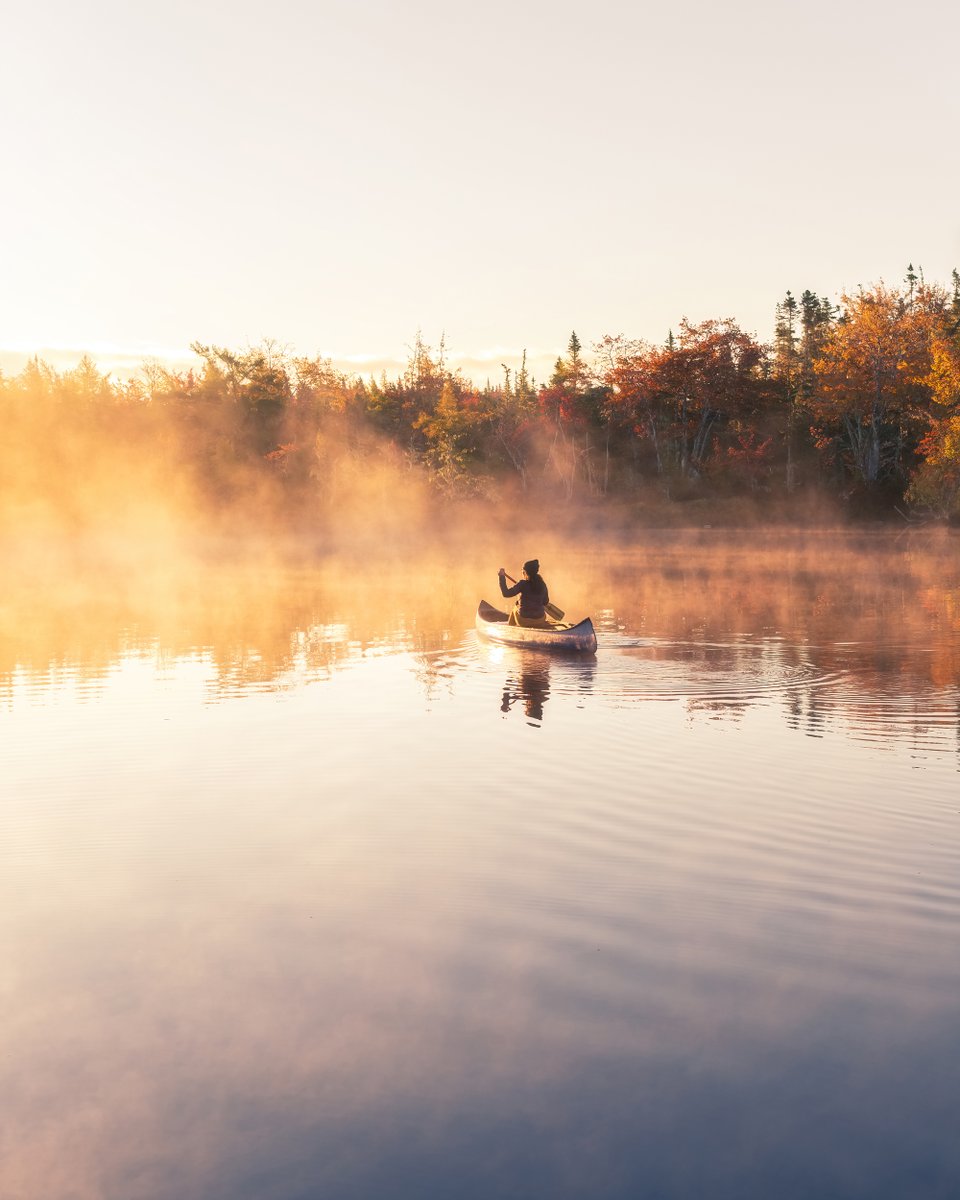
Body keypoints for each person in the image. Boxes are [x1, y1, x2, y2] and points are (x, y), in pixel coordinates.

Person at [498, 559, 551, 626]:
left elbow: (506, 594)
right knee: (519, 604)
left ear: (525, 572)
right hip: (539, 620)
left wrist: (501, 577)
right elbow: (545, 602)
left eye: (523, 572)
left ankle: (511, 628)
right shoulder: (542, 584)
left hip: (524, 621)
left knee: (515, 608)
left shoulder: (522, 584)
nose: (522, 574)